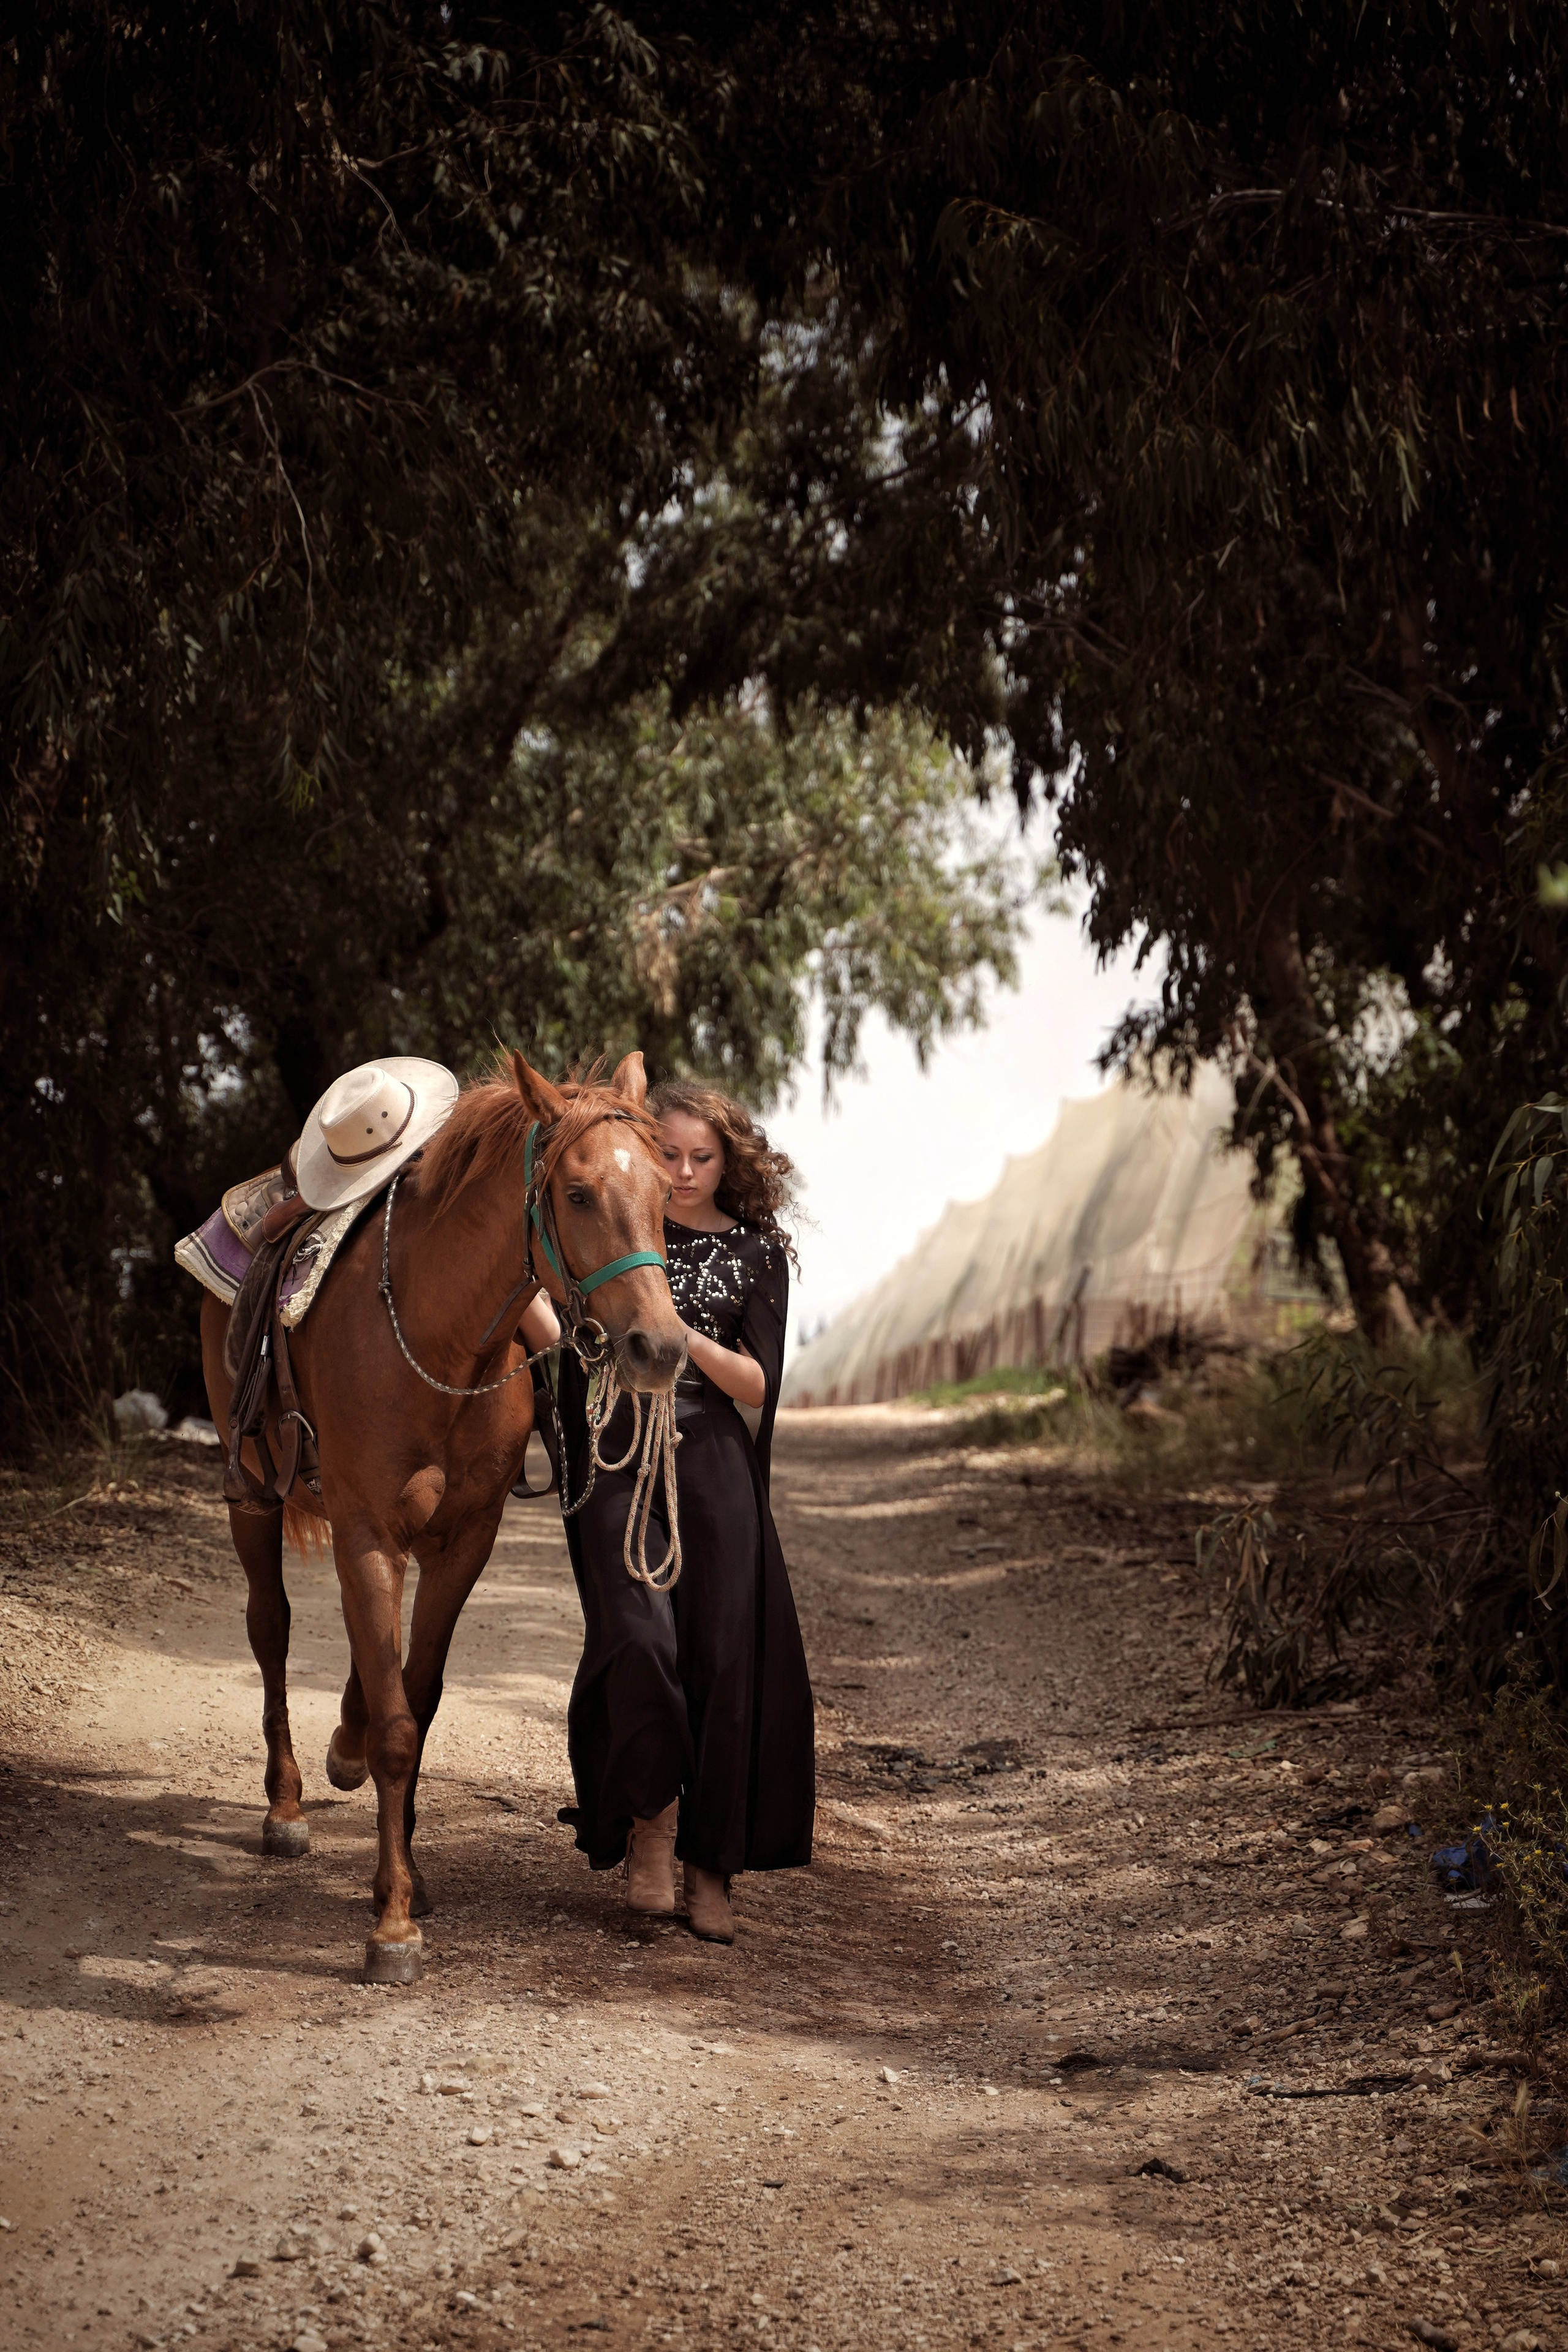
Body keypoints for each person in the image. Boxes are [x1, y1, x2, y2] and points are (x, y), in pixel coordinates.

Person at [552, 1079, 815, 1943]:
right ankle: (651, 1832)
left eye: (705, 1157)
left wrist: (675, 1330)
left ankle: (712, 1870)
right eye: (672, 1154)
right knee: (637, 1639)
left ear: (728, 1161)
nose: (688, 1170)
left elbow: (758, 1384)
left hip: (711, 1462)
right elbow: (551, 1319)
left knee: (721, 1664)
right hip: (616, 1449)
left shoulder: (756, 1254)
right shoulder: (616, 1227)